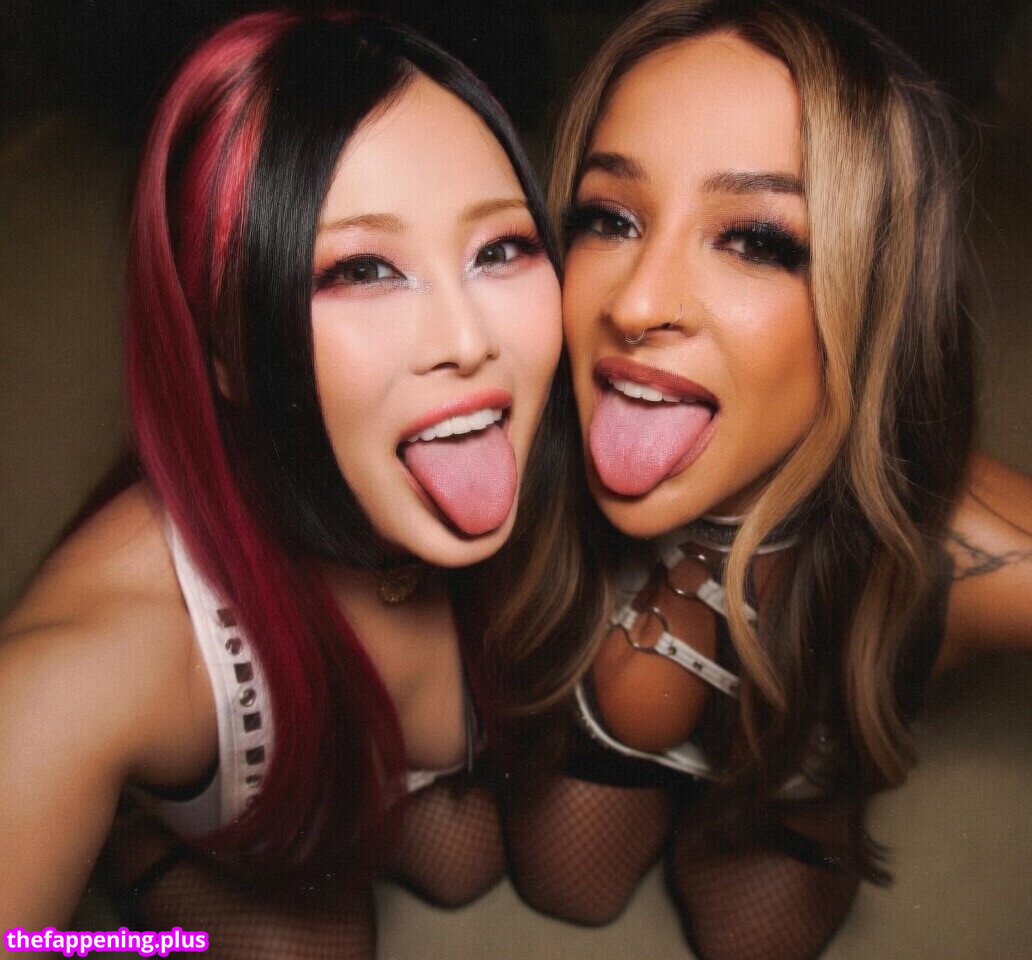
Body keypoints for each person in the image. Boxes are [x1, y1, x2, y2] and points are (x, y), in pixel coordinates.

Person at [0, 10, 595, 957]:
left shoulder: (549, 437)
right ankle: (147, 847)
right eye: (361, 268)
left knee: (467, 856)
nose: (469, 341)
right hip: (240, 809)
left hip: (367, 780)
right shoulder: (87, 668)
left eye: (500, 249)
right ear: (225, 347)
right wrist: (120, 947)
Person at [501, 2, 1032, 959]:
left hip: (788, 785)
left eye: (760, 241)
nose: (636, 303)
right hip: (600, 722)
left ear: (879, 292)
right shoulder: (519, 408)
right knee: (567, 885)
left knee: (754, 943)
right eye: (610, 218)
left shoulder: (967, 547)